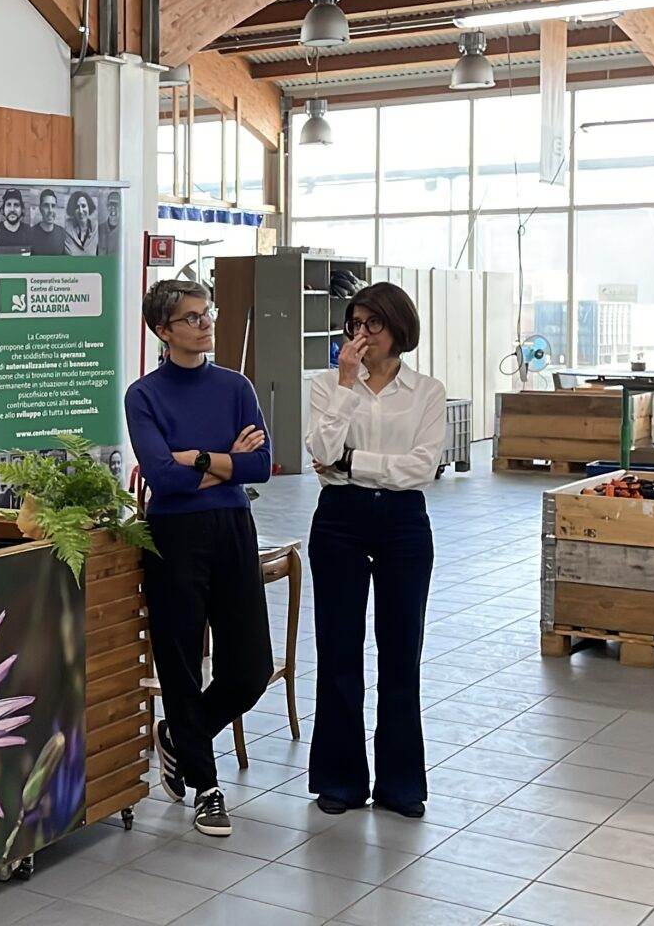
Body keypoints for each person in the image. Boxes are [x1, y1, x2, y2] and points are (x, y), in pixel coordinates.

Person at [124, 279, 272, 838]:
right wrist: (228, 460)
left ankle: (178, 737)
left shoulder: (235, 387)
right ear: (163, 331)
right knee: (181, 662)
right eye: (190, 318)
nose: (205, 324)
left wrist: (202, 460)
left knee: (251, 667)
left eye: (206, 313)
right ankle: (208, 789)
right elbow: (160, 476)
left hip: (234, 527)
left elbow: (263, 467)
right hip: (174, 535)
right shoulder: (145, 395)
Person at [303, 282, 446, 818]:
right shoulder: (327, 385)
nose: (361, 336)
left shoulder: (426, 391)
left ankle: (401, 783)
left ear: (398, 328)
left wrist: (350, 464)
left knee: (400, 651)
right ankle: (339, 781)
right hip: (340, 521)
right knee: (339, 650)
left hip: (404, 525)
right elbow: (319, 449)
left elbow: (422, 467)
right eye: (354, 325)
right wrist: (345, 385)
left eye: (373, 325)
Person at [28, 189, 70, 256]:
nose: (50, 210)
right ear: (40, 208)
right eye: (46, 205)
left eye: (53, 206)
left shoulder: (63, 234)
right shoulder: (30, 234)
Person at [0, 188, 31, 254]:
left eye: (16, 205)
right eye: (8, 205)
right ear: (3, 208)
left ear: (22, 209)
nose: (12, 209)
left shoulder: (29, 231)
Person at [65, 191, 100, 256]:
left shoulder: (97, 229)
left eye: (83, 206)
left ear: (89, 207)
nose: (81, 211)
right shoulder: (65, 228)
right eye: (77, 207)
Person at [98, 189, 124, 257]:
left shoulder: (124, 232)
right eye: (110, 204)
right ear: (107, 207)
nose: (113, 207)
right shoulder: (98, 230)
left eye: (116, 204)